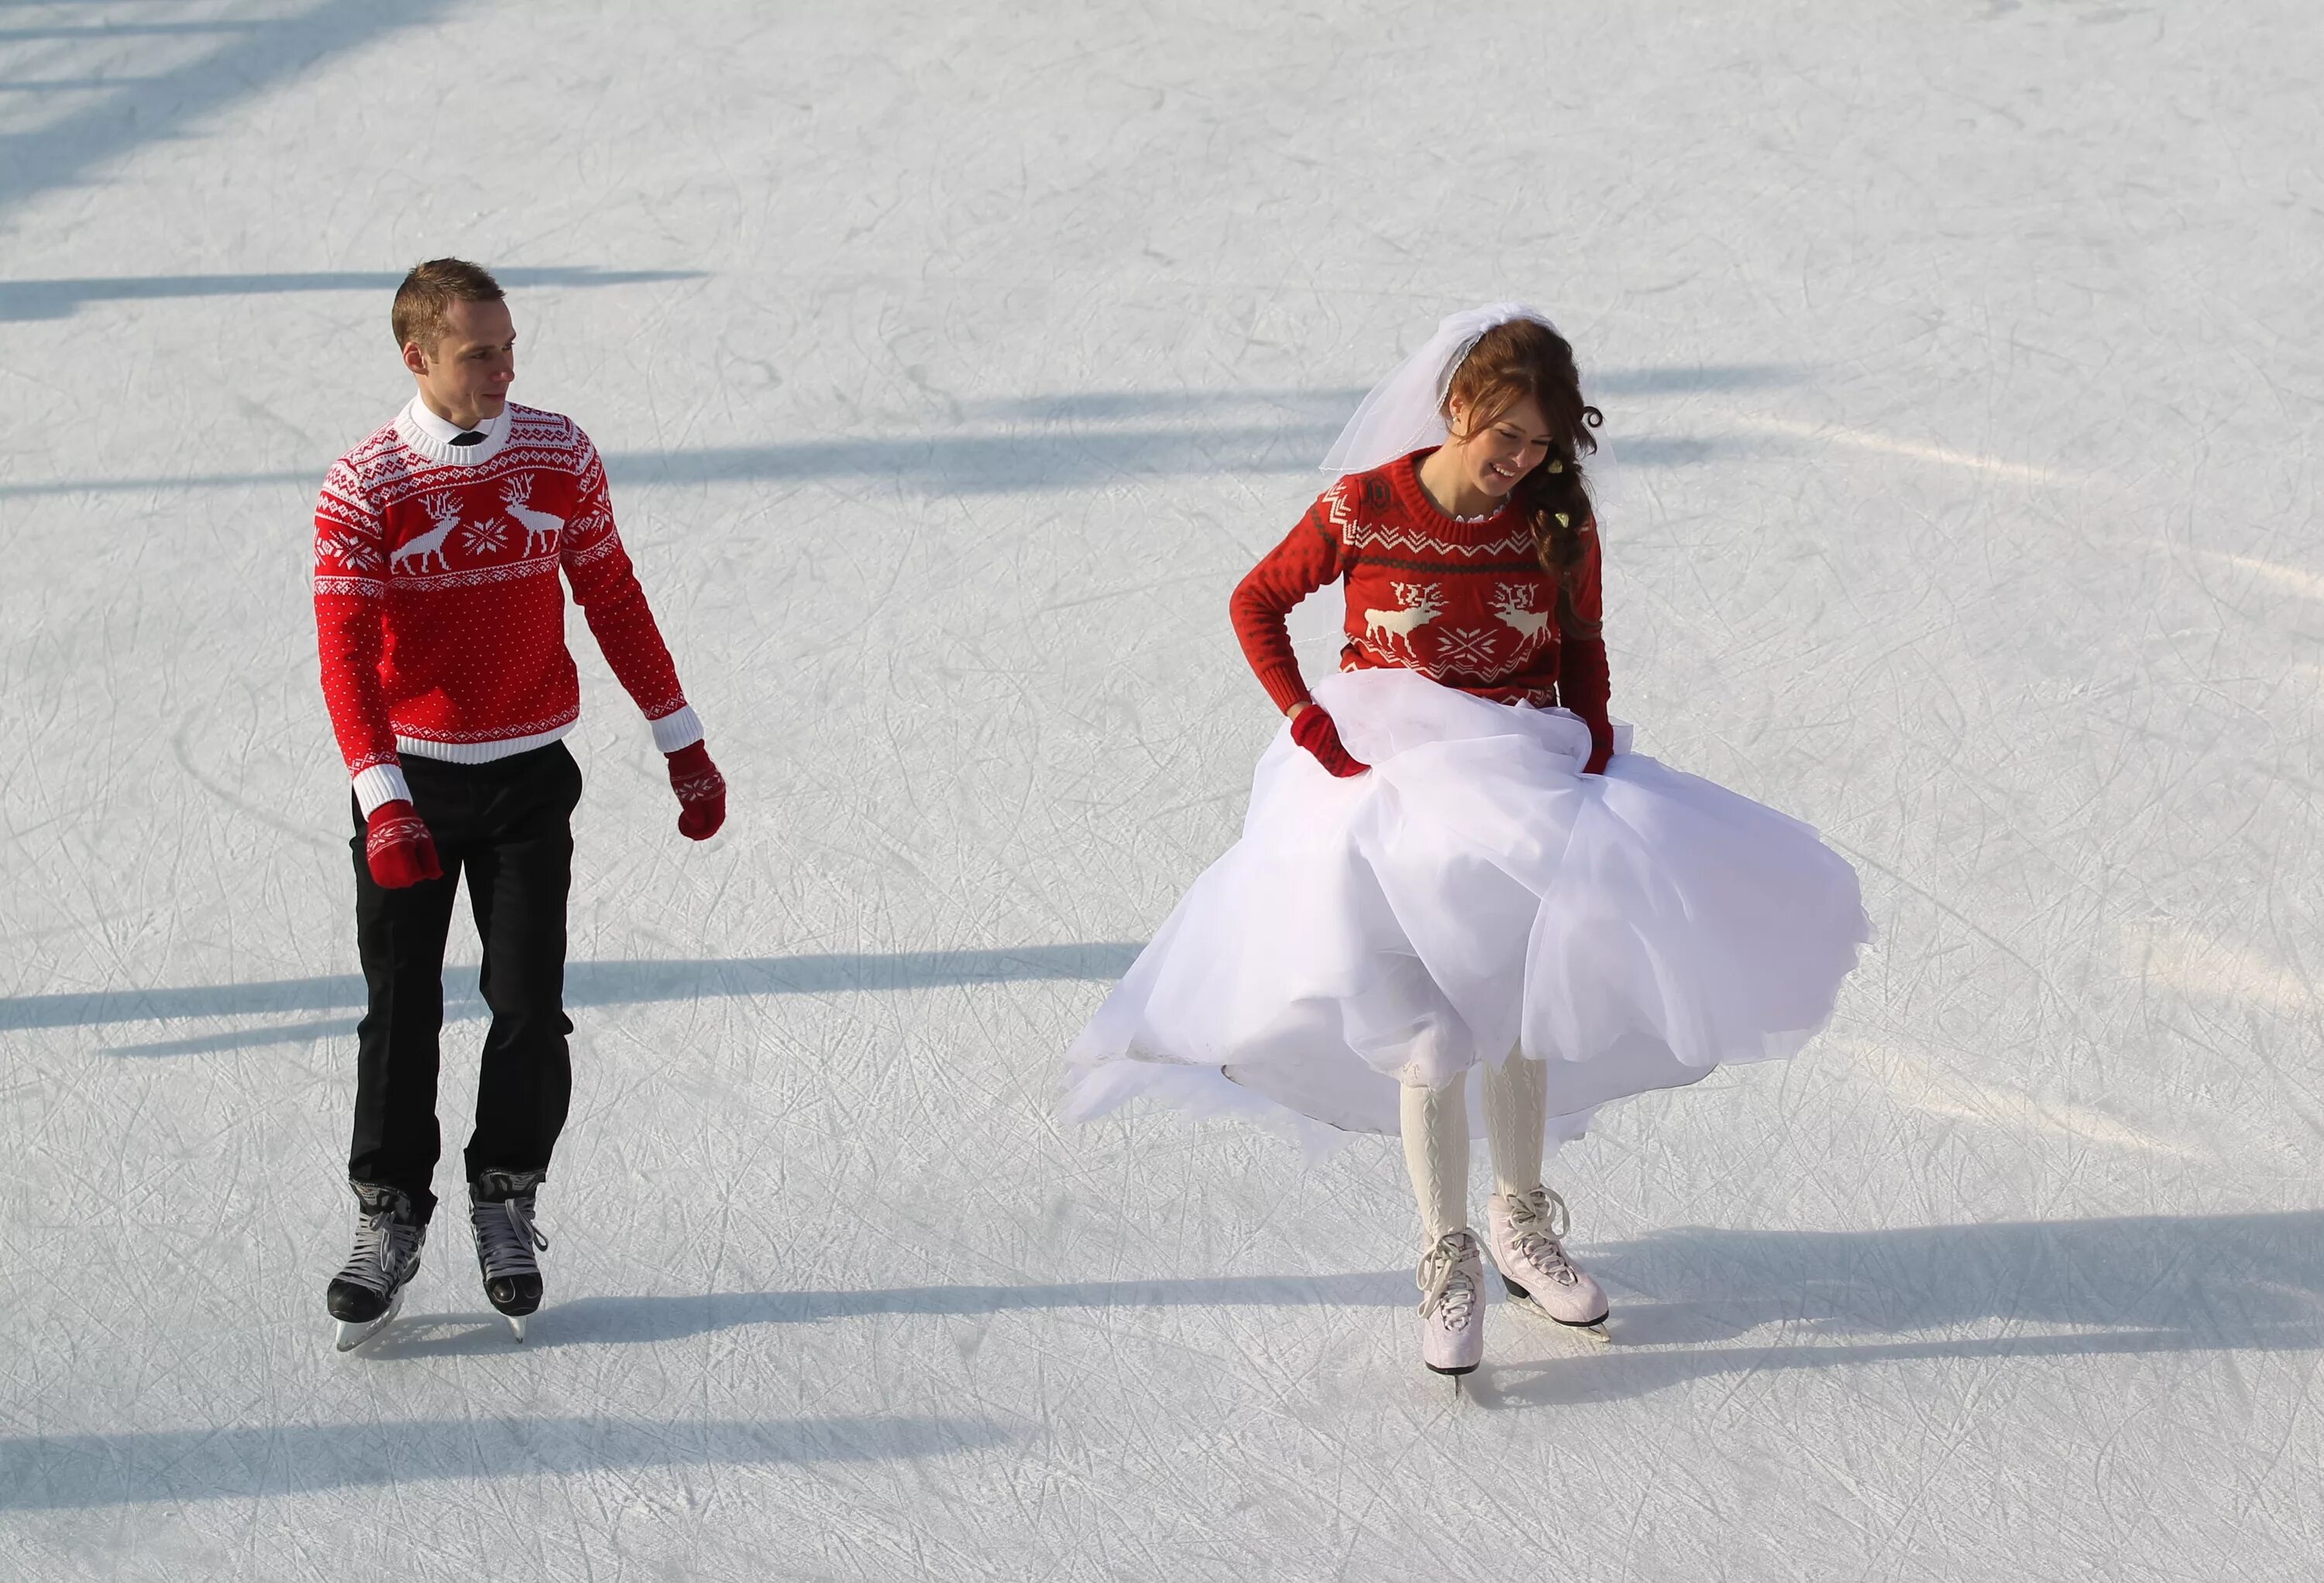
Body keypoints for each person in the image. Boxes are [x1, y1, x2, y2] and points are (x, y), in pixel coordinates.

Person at [1063, 305, 1869, 1381]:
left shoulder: (1557, 517)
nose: (1523, 462)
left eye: (1542, 445)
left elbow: (1581, 640)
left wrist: (1588, 739)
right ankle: (1447, 1254)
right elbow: (1257, 599)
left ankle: (1521, 1223)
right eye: (1508, 440)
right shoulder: (1364, 506)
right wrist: (1310, 719)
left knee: (1525, 1008)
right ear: (1459, 410)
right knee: (1433, 1040)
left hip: (1521, 787)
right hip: (1381, 796)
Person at [310, 258, 727, 1349]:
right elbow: (345, 656)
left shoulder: (558, 451)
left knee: (528, 1002)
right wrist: (382, 795)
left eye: (509, 345)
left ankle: (506, 1191)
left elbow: (613, 594)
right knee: (402, 1009)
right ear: (419, 358)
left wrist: (680, 738)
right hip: (412, 785)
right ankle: (389, 1215)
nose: (504, 368)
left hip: (530, 776)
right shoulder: (366, 486)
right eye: (478, 352)